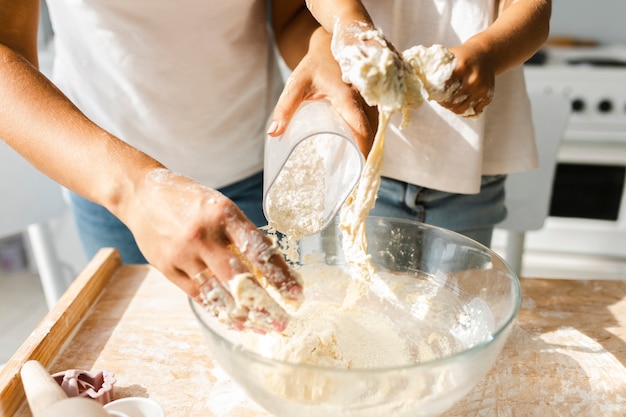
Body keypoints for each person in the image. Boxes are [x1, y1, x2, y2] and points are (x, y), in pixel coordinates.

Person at [0, 0, 377, 331]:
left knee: (275, 338)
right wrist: (134, 190)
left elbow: (292, 12)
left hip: (255, 171)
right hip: (107, 178)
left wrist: (322, 46)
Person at [271, 0, 552, 248]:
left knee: (455, 301)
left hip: (467, 168)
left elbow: (533, 8)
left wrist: (487, 53)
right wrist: (348, 26)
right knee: (366, 302)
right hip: (358, 162)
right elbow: (299, 14)